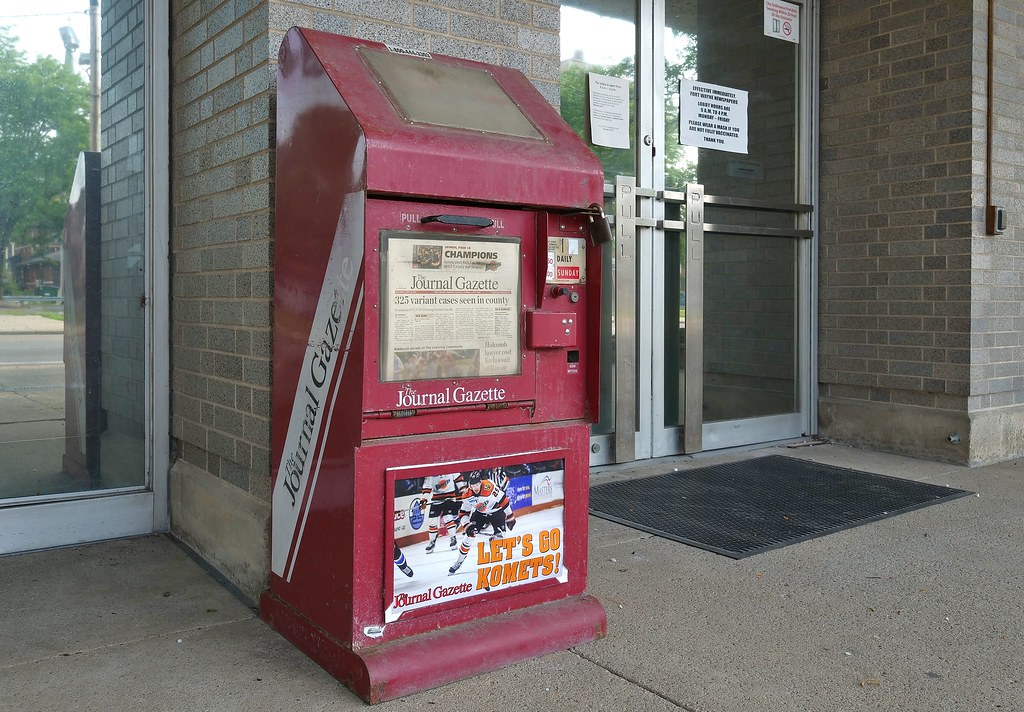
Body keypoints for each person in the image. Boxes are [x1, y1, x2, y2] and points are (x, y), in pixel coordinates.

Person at [447, 470, 517, 575]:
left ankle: (494, 539)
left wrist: (510, 516)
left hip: (496, 511)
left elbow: (503, 499)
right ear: (469, 485)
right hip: (480, 514)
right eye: (472, 485)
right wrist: (467, 525)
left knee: (500, 539)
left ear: (480, 482)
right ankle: (459, 562)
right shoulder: (466, 494)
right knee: (468, 537)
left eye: (477, 485)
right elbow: (463, 513)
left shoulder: (489, 487)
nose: (475, 488)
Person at [420, 472, 467, 552]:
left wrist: (464, 493)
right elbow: (427, 489)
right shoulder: (430, 473)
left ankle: (453, 538)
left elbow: (459, 481)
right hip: (436, 499)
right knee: (432, 521)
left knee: (447, 517)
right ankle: (432, 541)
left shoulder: (451, 468)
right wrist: (424, 500)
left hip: (449, 497)